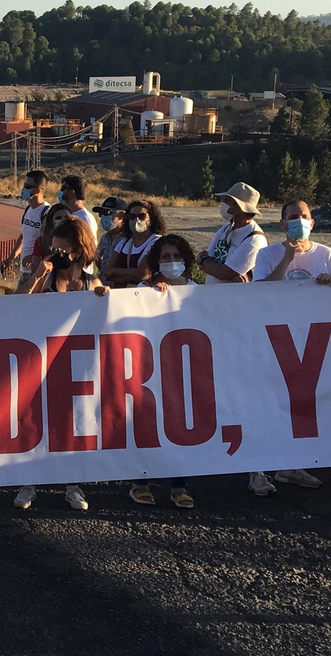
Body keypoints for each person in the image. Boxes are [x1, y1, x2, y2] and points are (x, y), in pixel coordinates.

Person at [246, 200, 331, 496]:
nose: (299, 221)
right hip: (275, 338)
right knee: (267, 404)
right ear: (282, 224)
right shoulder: (268, 254)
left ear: (312, 222)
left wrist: (330, 285)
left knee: (300, 405)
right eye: (293, 217)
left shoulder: (327, 255)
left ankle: (290, 465)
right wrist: (288, 257)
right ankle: (257, 470)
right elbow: (263, 292)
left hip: (312, 340)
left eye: (304, 217)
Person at [16, 217, 107, 513]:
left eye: (61, 251)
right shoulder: (47, 278)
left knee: (74, 421)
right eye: (52, 249)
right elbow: (15, 305)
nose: (55, 256)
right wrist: (36, 277)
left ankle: (72, 483)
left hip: (77, 362)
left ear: (79, 251)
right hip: (42, 359)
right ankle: (29, 480)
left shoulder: (92, 282)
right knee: (36, 418)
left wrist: (105, 298)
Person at [127, 234, 200, 508]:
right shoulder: (144, 287)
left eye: (176, 257)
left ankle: (179, 484)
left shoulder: (195, 289)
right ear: (157, 261)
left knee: (179, 424)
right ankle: (139, 482)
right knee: (146, 422)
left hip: (184, 367)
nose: (172, 262)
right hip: (149, 367)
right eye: (166, 257)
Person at [200, 182, 267, 283]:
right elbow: (203, 267)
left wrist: (202, 259)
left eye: (227, 200)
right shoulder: (225, 228)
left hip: (234, 297)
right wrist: (205, 262)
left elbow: (223, 273)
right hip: (213, 295)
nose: (223, 204)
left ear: (239, 207)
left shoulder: (254, 240)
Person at [100, 198, 165, 288]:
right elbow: (107, 273)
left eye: (142, 216)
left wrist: (115, 272)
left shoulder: (156, 242)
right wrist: (133, 275)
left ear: (151, 220)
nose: (136, 220)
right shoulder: (124, 242)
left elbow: (143, 275)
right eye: (132, 216)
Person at [5, 171, 49, 293]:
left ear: (38, 190)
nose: (23, 189)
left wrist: (33, 257)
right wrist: (11, 257)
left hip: (37, 273)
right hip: (24, 271)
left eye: (27, 186)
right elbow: (23, 236)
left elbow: (49, 243)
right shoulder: (28, 209)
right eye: (24, 185)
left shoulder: (46, 212)